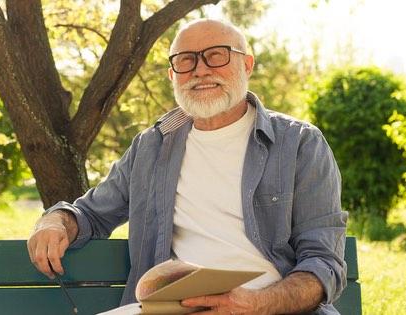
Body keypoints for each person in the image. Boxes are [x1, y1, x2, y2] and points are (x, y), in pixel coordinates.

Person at [27, 18, 347, 315]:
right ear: (172, 75)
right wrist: (56, 221)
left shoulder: (299, 143)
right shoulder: (151, 146)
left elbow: (324, 263)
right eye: (186, 60)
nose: (200, 70)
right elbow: (91, 213)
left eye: (216, 56)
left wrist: (256, 304)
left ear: (247, 65)